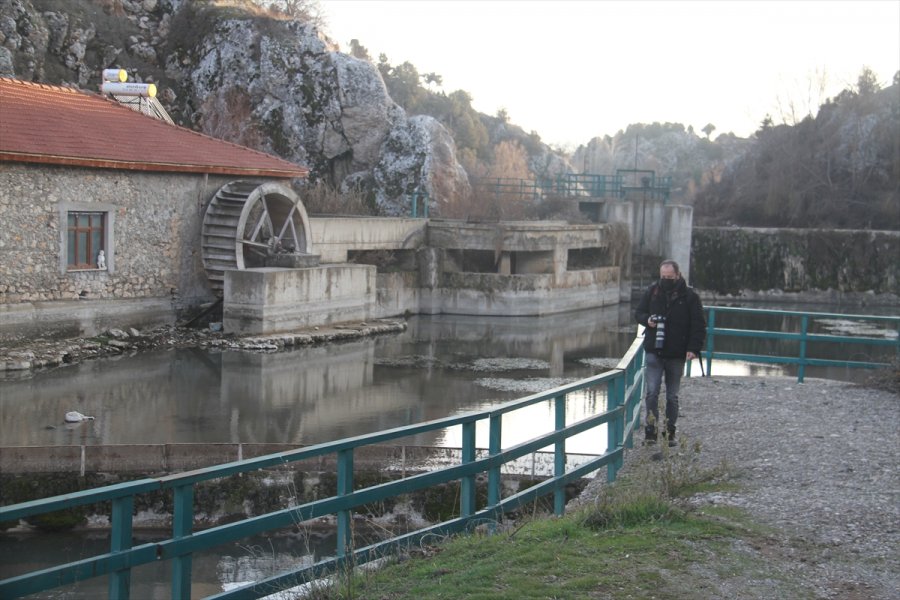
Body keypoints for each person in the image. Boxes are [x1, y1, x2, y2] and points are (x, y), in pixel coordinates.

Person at [634, 259, 706, 446]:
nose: (666, 280)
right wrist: (647, 320)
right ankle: (650, 432)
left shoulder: (690, 297)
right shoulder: (652, 292)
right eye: (663, 277)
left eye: (669, 277)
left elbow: (698, 325)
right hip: (654, 351)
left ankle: (669, 432)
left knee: (672, 396)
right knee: (651, 393)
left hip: (676, 353)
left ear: (677, 275)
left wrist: (693, 348)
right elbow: (639, 313)